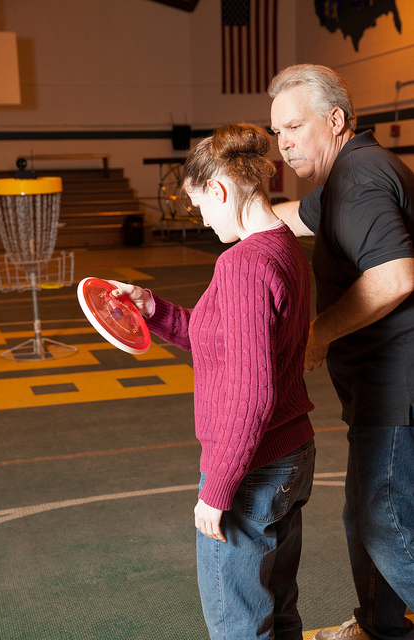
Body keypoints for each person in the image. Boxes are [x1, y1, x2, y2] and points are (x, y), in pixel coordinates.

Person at [109, 123, 315, 640]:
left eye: (198, 205)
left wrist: (218, 488)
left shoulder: (243, 264)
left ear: (220, 190)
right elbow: (221, 340)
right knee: (279, 611)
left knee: (238, 625)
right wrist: (151, 308)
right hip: (291, 454)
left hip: (252, 470)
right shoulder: (283, 246)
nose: (200, 218)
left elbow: (252, 392)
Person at [268, 64, 414, 640]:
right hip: (381, 386)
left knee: (384, 518)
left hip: (397, 385)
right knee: (367, 512)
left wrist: (318, 332)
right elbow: (283, 220)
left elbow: (394, 276)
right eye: (277, 132)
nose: (283, 143)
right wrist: (222, 203)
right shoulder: (344, 178)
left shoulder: (357, 179)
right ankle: (380, 627)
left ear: (335, 120)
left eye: (294, 127)